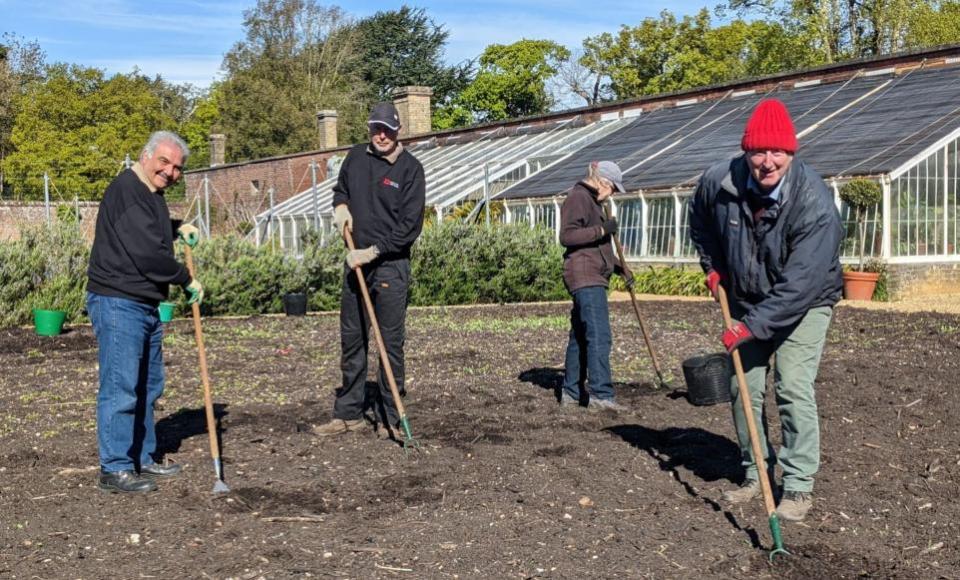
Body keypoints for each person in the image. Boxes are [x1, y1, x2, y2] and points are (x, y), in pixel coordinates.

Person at [688, 99, 843, 522]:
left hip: (806, 303)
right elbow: (699, 222)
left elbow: (801, 284)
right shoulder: (718, 182)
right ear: (746, 152)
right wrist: (713, 267)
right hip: (746, 297)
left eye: (778, 152)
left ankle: (796, 485)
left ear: (791, 154)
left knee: (792, 386)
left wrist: (750, 327)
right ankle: (754, 471)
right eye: (759, 151)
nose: (768, 162)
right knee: (743, 387)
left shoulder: (814, 203)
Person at [87, 131, 203, 493]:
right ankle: (115, 468)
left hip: (143, 303)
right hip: (119, 301)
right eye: (164, 162)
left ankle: (143, 458)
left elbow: (149, 233)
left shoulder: (151, 195)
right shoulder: (126, 190)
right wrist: (185, 279)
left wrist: (175, 227)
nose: (169, 172)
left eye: (177, 168)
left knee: (149, 385)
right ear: (145, 156)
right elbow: (147, 255)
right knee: (122, 387)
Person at [312, 102, 426, 440]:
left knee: (389, 344)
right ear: (369, 129)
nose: (381, 135)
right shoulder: (356, 159)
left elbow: (409, 228)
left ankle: (392, 416)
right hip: (355, 264)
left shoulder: (410, 170)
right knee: (352, 340)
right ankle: (348, 413)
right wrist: (341, 208)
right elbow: (341, 190)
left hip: (390, 267)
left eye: (387, 129)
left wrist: (371, 253)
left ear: (398, 130)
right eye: (376, 128)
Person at [558, 160, 634, 412]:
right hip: (584, 276)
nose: (611, 193)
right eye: (612, 188)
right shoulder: (579, 197)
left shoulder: (593, 202)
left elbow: (597, 250)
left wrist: (620, 268)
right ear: (602, 182)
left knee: (580, 336)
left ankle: (571, 392)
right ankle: (601, 394)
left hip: (590, 274)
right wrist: (602, 229)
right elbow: (567, 236)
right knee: (599, 335)